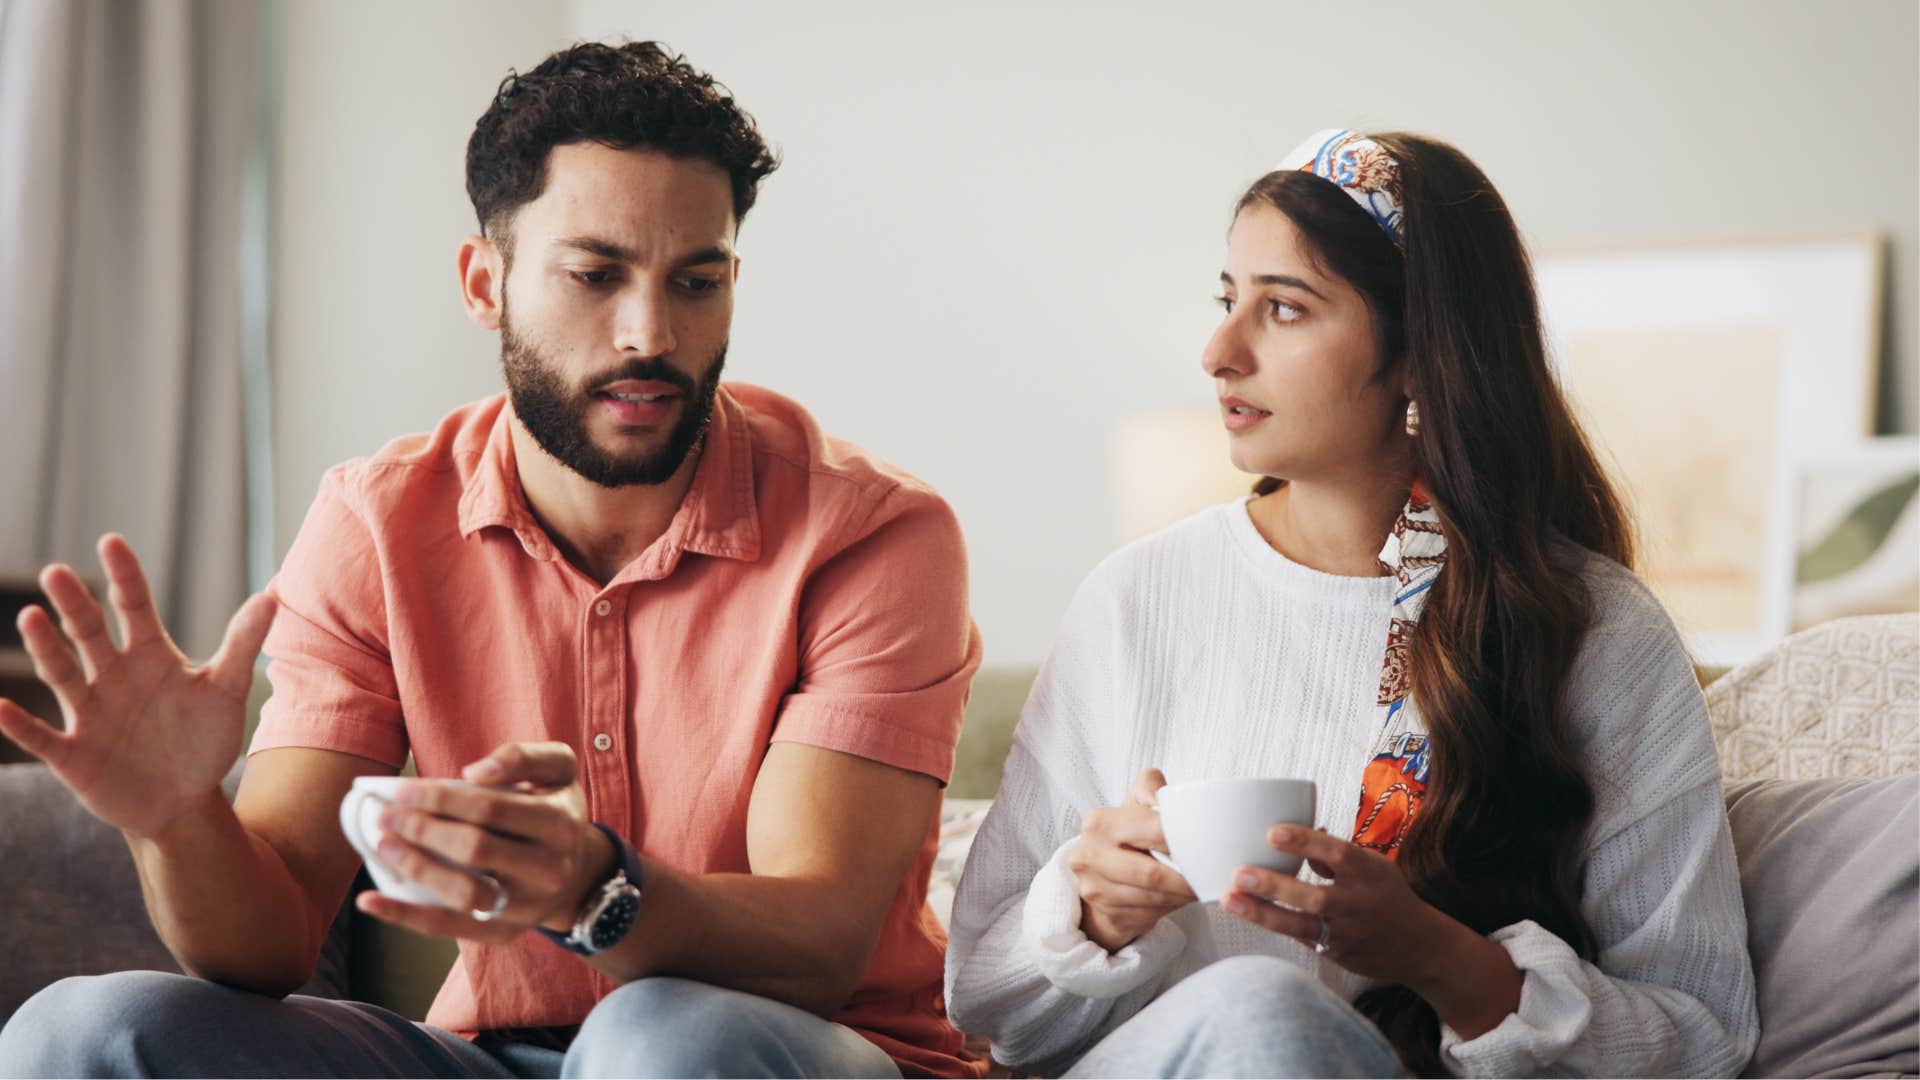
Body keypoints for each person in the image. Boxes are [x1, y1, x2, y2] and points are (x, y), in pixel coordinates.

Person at [0, 41, 984, 1079]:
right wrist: (178, 819)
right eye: (595, 275)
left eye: (695, 282)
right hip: (493, 1059)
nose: (650, 332)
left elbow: (816, 947)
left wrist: (590, 887)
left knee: (660, 1038)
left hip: (782, 1051)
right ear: (485, 282)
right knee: (82, 1034)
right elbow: (273, 939)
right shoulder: (376, 522)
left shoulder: (872, 534)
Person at [943, 129, 1761, 1078]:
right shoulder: (1138, 599)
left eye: (1284, 309)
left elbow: (1703, 1038)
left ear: (1421, 357)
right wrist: (1087, 913)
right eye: (1227, 299)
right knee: (1252, 1008)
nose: (1219, 351)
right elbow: (981, 998)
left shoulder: (1595, 631)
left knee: (1266, 1010)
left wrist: (1439, 959)